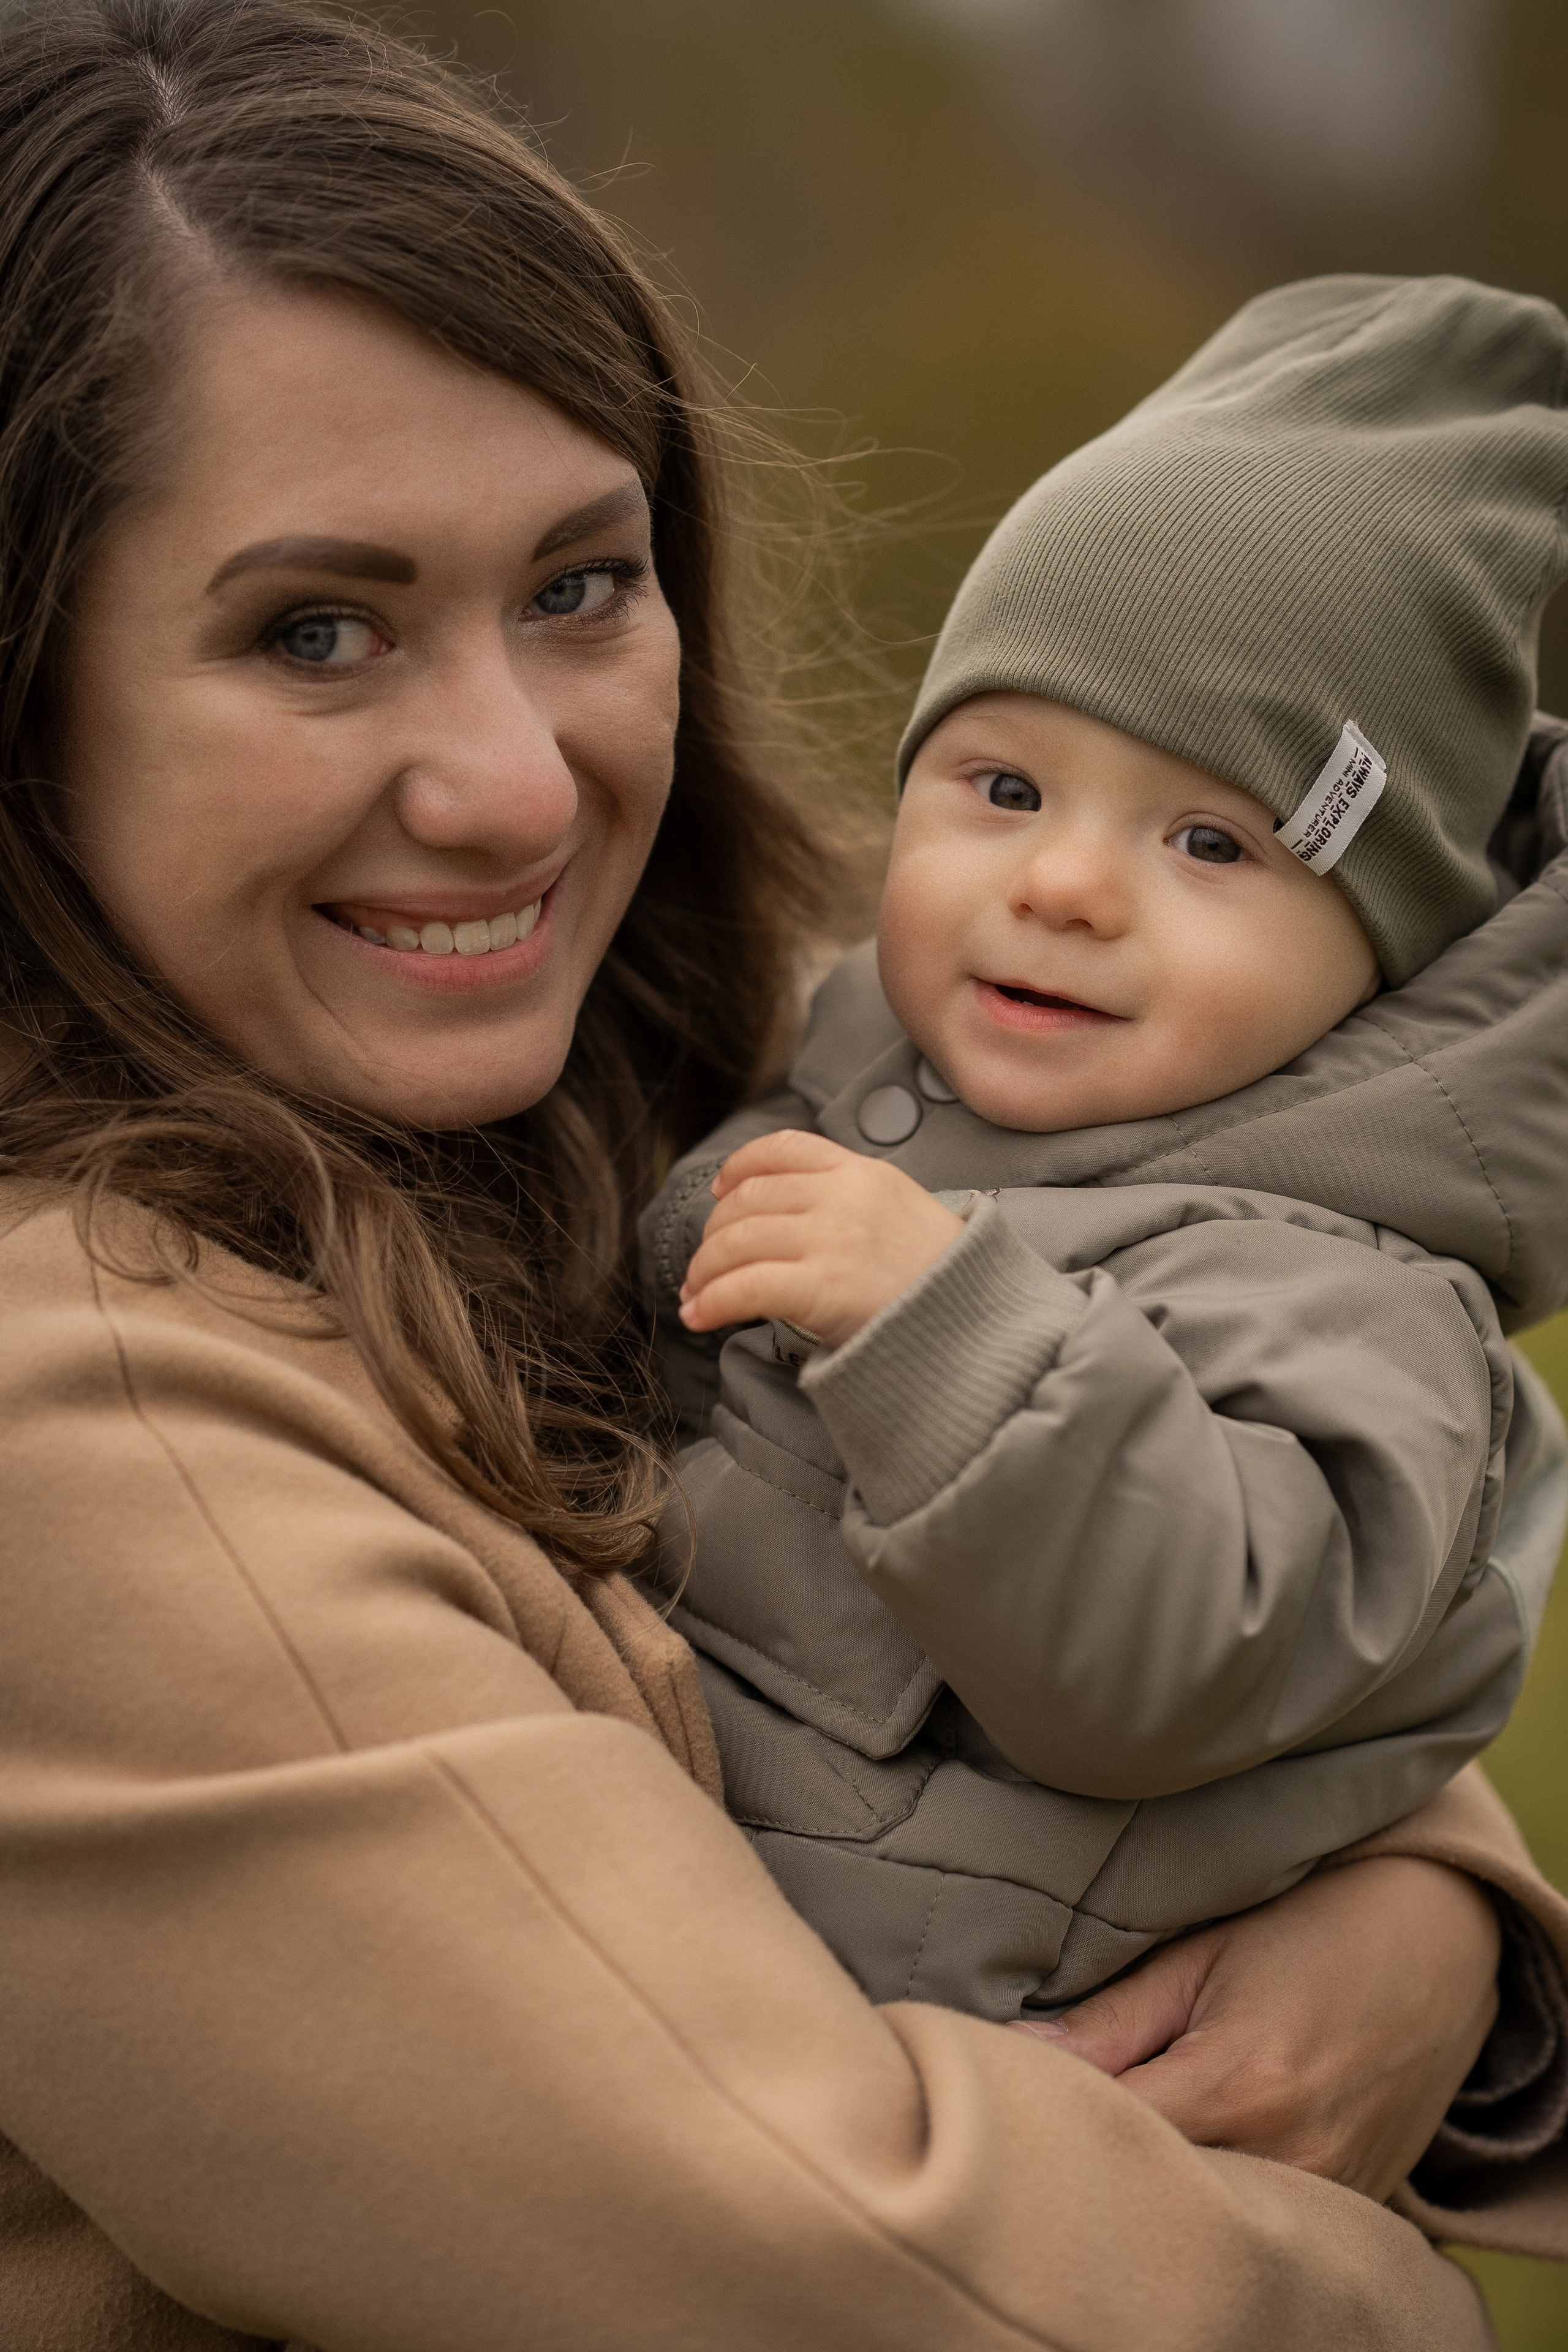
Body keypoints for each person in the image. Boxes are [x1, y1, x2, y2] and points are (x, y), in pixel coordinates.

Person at [0, 4, 1560, 2345]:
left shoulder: (727, 1092)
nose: (517, 787)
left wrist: (1435, 1929)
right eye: (315, 631)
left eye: (576, 587)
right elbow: (858, 2277)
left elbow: (1227, 1585)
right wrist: (1380, 2276)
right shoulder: (81, 1425)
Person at [652, 281, 1568, 2014]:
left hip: (955, 2078)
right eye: (1004, 789)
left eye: (1210, 842)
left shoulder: (1356, 1297)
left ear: (1389, 943)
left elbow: (1181, 1650)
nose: (1063, 885)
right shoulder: (815, 1063)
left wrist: (942, 1333)